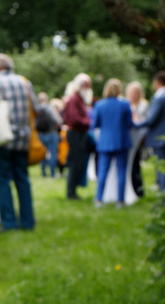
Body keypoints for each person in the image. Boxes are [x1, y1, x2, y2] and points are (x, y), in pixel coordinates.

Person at [0, 53, 38, 232]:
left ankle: (9, 222)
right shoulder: (25, 82)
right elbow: (35, 108)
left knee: (2, 181)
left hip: (2, 139)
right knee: (22, 180)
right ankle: (28, 222)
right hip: (23, 139)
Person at [92, 79, 134, 207]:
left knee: (102, 172)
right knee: (121, 171)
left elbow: (95, 124)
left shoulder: (100, 105)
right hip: (121, 141)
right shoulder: (125, 104)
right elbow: (130, 124)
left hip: (105, 142)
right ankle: (120, 201)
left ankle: (99, 199)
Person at [137, 71, 165, 192]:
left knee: (162, 167)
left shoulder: (160, 96)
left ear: (157, 82)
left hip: (160, 137)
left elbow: (151, 119)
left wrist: (135, 124)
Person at [63, 73, 93, 199]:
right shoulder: (74, 99)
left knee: (78, 163)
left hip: (79, 134)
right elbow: (74, 119)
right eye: (86, 85)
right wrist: (89, 122)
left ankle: (73, 191)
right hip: (76, 134)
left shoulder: (79, 99)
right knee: (76, 164)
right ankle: (71, 192)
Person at [125, 81, 148, 197]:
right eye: (132, 92)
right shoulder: (126, 104)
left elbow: (145, 121)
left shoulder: (143, 105)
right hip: (128, 138)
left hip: (138, 138)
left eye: (135, 92)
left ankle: (138, 189)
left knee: (136, 163)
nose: (133, 94)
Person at [36, 92, 63, 178]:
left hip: (41, 134)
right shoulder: (50, 108)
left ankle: (43, 173)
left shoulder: (36, 109)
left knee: (43, 153)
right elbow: (58, 120)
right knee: (53, 153)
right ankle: (52, 173)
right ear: (46, 99)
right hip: (51, 133)